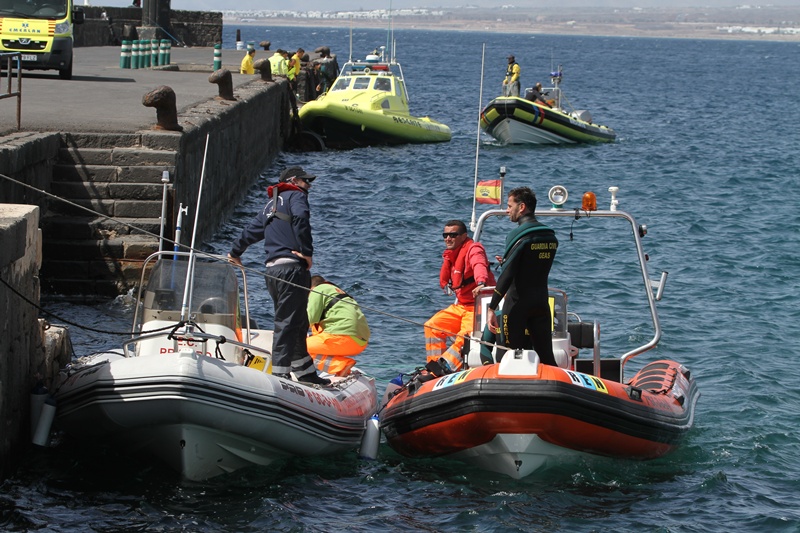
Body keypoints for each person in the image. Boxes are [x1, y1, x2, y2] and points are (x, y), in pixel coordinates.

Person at [227, 166, 330, 386]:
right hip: (292, 270)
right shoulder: (296, 196)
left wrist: (235, 253)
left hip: (272, 272)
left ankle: (305, 372)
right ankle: (280, 375)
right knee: (288, 322)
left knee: (298, 322)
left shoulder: (269, 206)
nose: (309, 186)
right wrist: (307, 252)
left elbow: (250, 231)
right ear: (293, 181)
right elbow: (301, 218)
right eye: (306, 181)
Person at [486, 187, 559, 366]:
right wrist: (507, 261)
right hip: (541, 304)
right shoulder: (550, 236)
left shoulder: (518, 234)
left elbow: (508, 275)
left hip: (517, 305)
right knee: (548, 359)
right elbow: (532, 265)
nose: (507, 210)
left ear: (522, 207)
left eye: (510, 206)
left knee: (508, 358)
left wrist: (492, 307)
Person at [424, 220, 495, 374]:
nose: (448, 238)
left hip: (477, 307)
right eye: (445, 235)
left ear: (464, 236)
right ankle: (433, 368)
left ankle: (445, 368)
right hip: (462, 306)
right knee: (432, 326)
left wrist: (481, 282)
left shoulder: (474, 249)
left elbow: (479, 265)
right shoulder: (452, 255)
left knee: (465, 336)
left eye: (453, 235)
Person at [306, 275, 370, 377]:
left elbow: (309, 319)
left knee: (295, 347)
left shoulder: (316, 290)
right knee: (311, 345)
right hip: (360, 342)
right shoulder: (337, 291)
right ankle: (343, 370)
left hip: (342, 337)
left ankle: (342, 365)